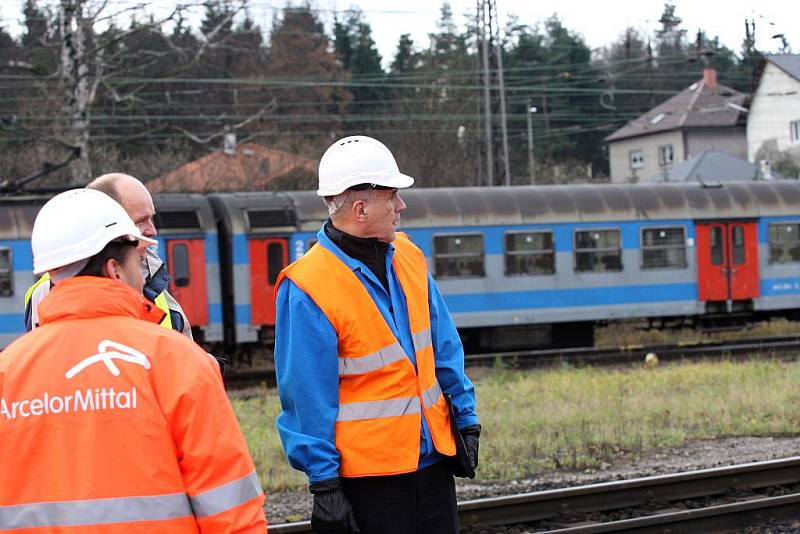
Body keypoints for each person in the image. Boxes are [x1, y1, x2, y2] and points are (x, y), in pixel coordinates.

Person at [0, 189, 267, 532]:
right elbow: (232, 510)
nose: (145, 275)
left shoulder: (8, 373)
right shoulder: (180, 361)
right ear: (115, 270)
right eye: (138, 263)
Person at [274, 135, 480, 534]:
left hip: (434, 462)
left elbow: (444, 347)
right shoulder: (307, 287)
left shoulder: (409, 256)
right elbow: (305, 396)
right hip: (369, 483)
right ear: (361, 207)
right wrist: (325, 484)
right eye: (393, 196)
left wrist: (466, 419)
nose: (401, 206)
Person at [24, 173, 192, 338]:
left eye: (151, 219)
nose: (152, 231)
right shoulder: (44, 294)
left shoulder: (154, 281)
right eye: (141, 221)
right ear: (108, 221)